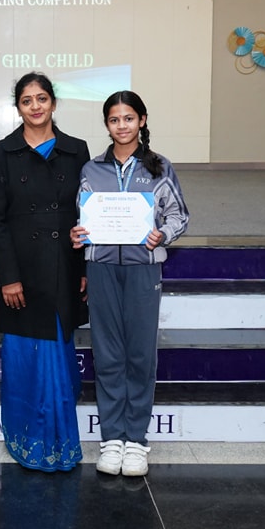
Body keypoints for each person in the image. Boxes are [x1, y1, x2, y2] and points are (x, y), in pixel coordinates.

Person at [71, 91, 189, 477]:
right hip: (103, 269)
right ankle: (112, 440)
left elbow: (179, 216)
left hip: (142, 270)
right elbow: (83, 219)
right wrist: (79, 234)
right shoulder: (92, 169)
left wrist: (163, 235)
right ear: (106, 125)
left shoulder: (159, 168)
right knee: (107, 354)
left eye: (128, 119)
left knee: (139, 354)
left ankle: (136, 441)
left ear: (141, 121)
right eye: (114, 120)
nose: (121, 126)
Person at [0, 72, 90, 472]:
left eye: (41, 98)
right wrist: (9, 276)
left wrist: (82, 270)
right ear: (18, 107)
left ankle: (61, 446)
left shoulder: (75, 150)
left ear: (53, 103)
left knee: (58, 360)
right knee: (24, 361)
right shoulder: (3, 152)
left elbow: (84, 214)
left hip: (64, 268)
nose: (35, 106)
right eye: (27, 100)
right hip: (22, 276)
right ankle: (27, 441)